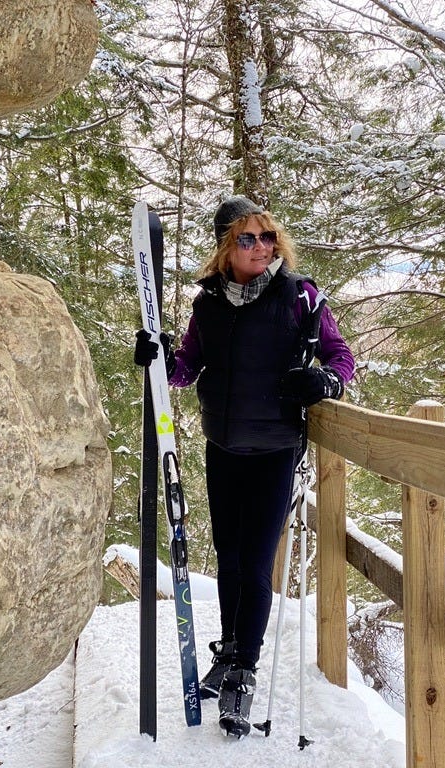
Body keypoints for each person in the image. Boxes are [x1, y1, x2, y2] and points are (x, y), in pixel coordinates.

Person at [134, 195, 355, 737]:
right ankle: (229, 649)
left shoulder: (300, 297)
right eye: (247, 239)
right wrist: (158, 357)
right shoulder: (208, 303)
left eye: (267, 237)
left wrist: (325, 382)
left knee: (255, 565)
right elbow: (187, 368)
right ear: (226, 248)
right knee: (229, 560)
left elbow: (341, 357)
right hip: (223, 447)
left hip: (276, 450)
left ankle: (243, 672)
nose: (261, 247)